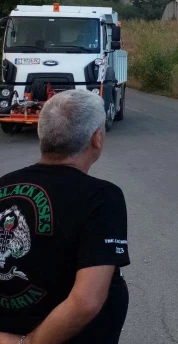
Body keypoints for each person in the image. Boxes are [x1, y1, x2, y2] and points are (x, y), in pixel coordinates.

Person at [0, 89, 130, 344]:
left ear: (42, 134)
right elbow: (86, 300)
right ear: (97, 139)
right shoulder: (102, 197)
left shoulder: (3, 185)